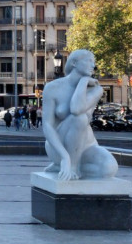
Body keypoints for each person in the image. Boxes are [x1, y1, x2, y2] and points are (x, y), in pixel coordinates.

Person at [41, 49, 118, 181]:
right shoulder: (52, 88)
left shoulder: (96, 89)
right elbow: (47, 125)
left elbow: (76, 107)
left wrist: (83, 82)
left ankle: (69, 167)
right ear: (74, 63)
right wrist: (65, 157)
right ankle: (71, 166)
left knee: (109, 168)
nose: (93, 65)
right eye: (89, 61)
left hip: (86, 146)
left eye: (94, 62)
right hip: (58, 146)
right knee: (80, 118)